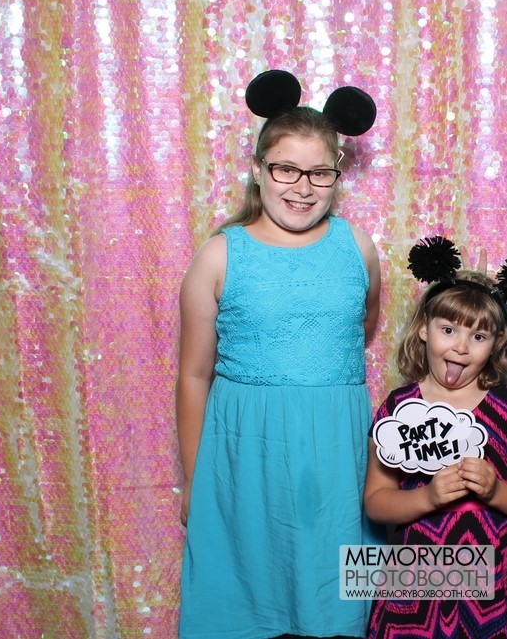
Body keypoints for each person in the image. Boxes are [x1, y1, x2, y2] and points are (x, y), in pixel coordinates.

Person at [177, 70, 381, 638]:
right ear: (257, 169)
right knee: (243, 598)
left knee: (338, 595)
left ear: (336, 174)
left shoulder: (357, 246)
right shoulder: (219, 255)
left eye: (320, 172)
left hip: (337, 453)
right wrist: (196, 478)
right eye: (285, 169)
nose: (302, 187)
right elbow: (194, 374)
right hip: (246, 453)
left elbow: (360, 325)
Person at [364, 237, 507, 639]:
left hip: (499, 580)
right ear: (423, 329)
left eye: (479, 337)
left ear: (497, 344)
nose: (461, 347)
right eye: (448, 330)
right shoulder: (398, 409)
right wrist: (427, 498)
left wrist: (496, 490)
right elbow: (376, 502)